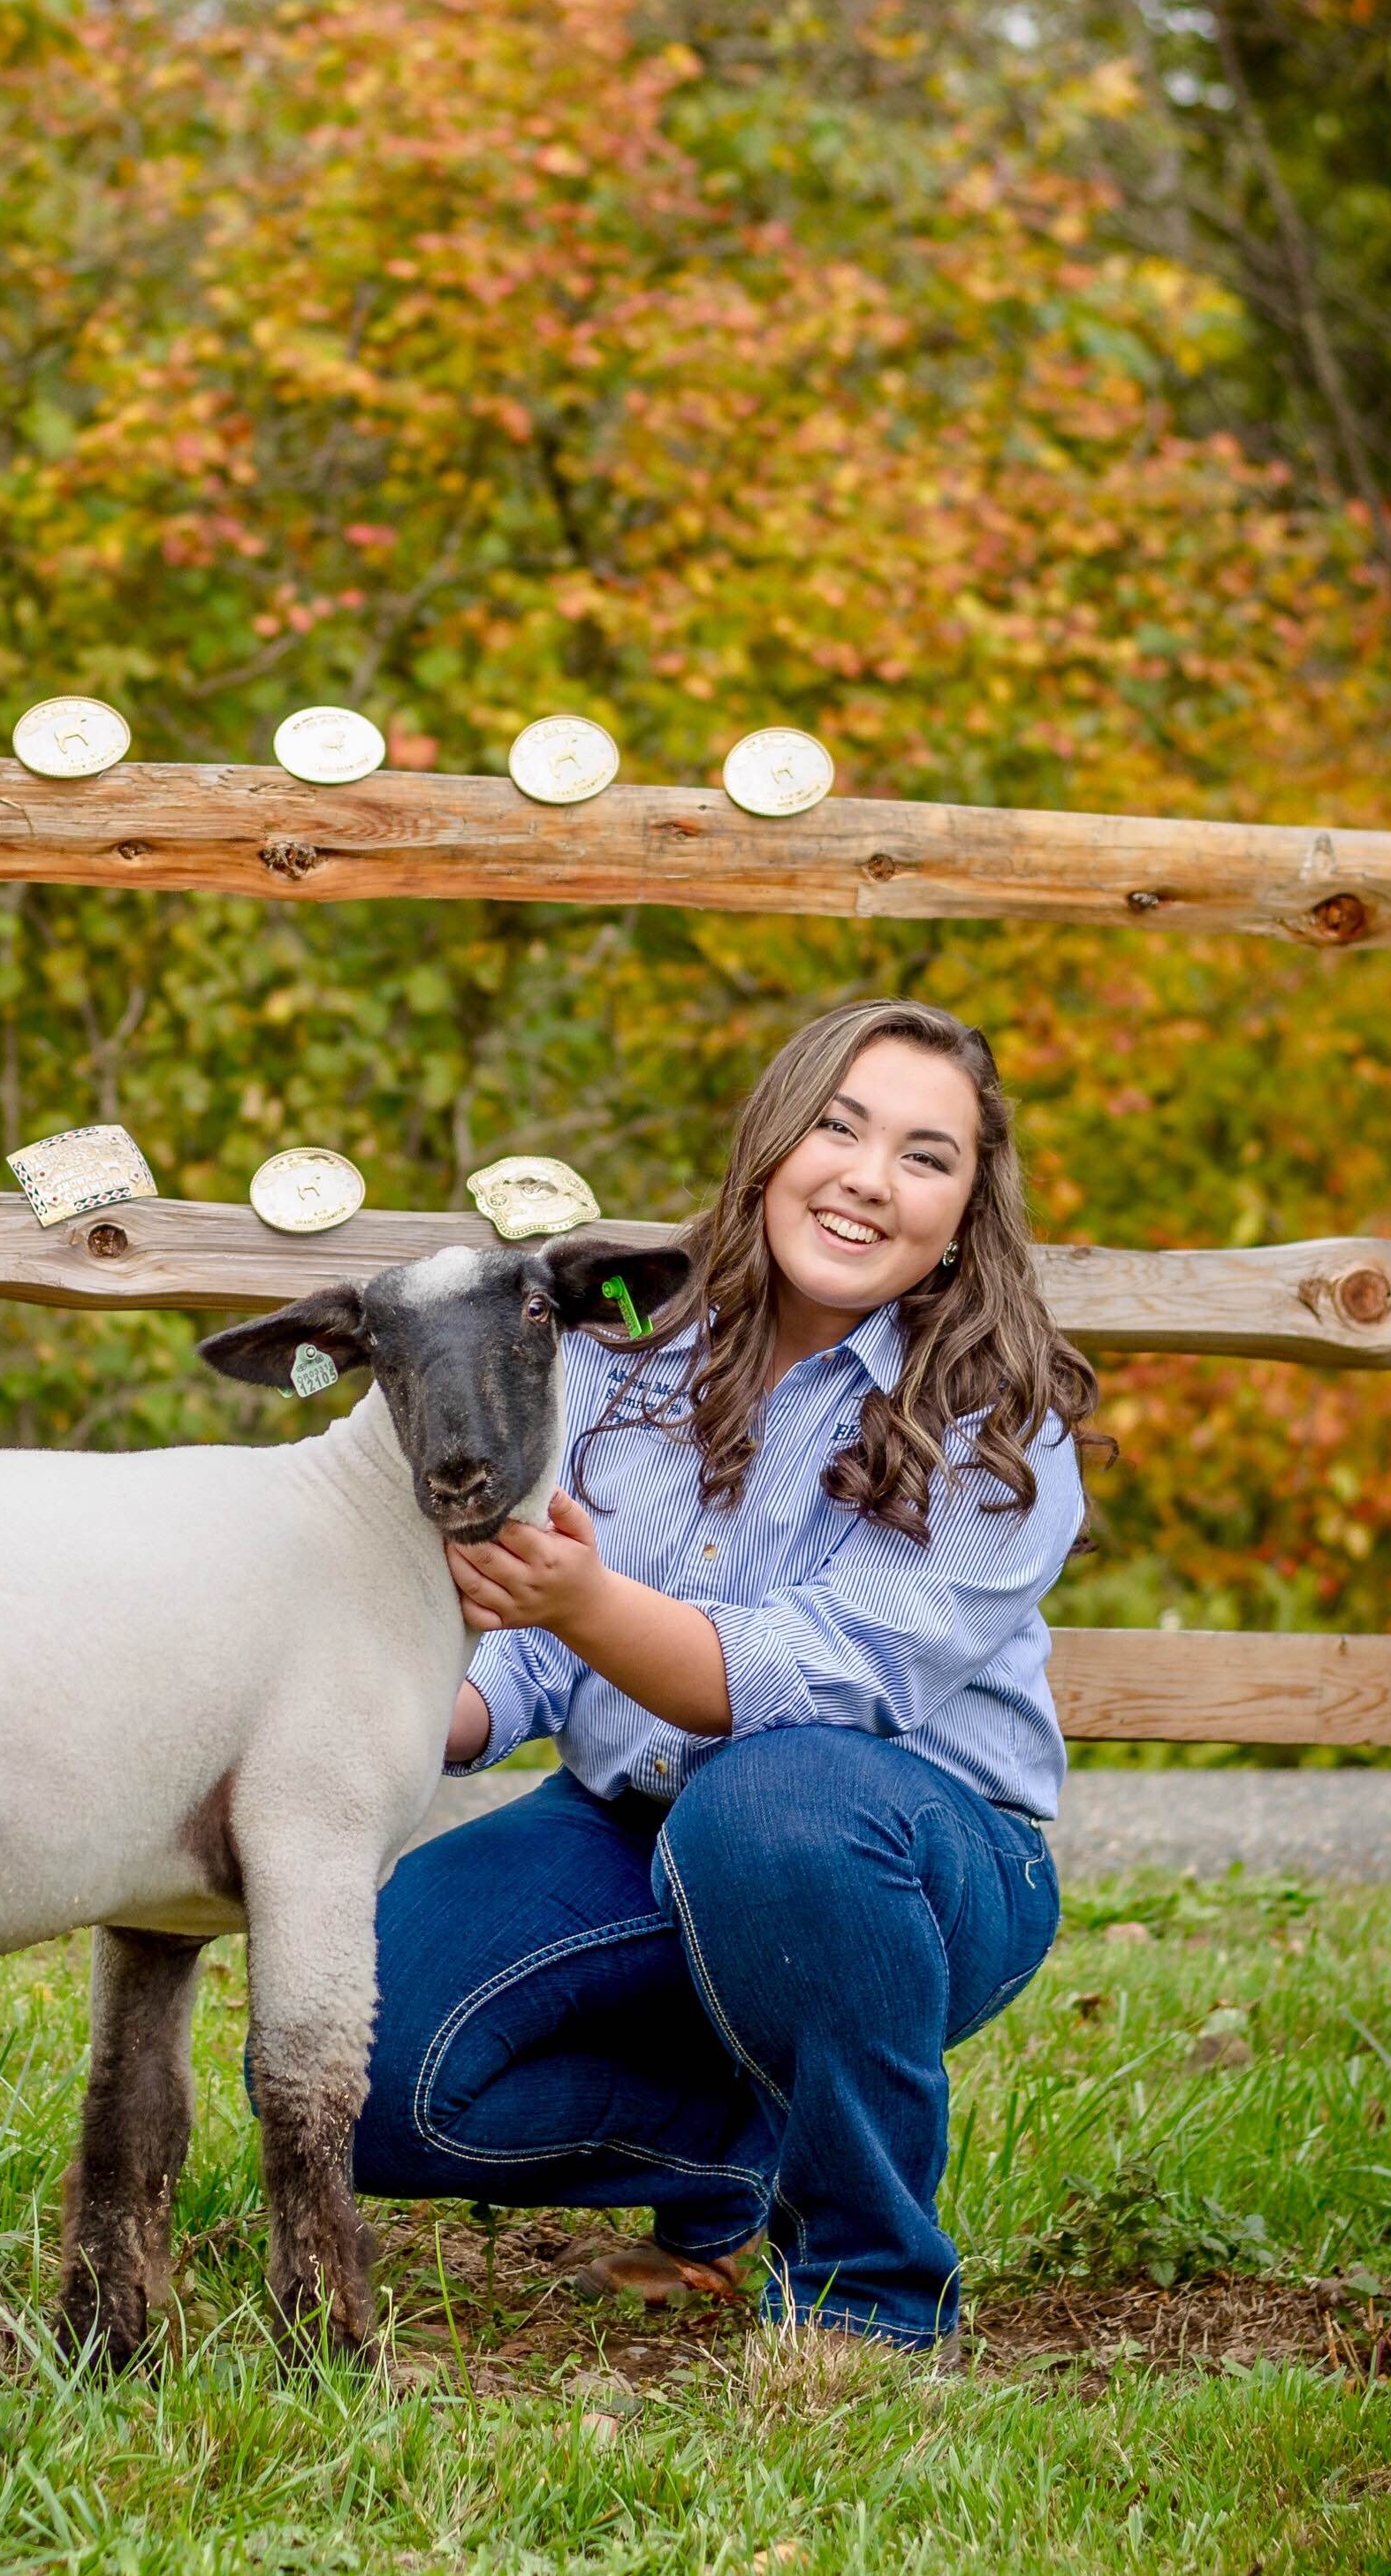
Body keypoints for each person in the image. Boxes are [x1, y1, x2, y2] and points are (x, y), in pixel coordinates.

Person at [352, 999, 1107, 2351]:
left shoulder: (1001, 1414)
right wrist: (402, 1712)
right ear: (770, 1144)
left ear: (964, 1208)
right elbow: (524, 1647)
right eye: (839, 1127)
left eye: (924, 1157)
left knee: (771, 1801)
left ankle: (866, 2292)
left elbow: (819, 1680)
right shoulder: (617, 1349)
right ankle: (737, 2156)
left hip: (908, 1855)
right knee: (358, 2070)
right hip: (629, 1826)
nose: (869, 1179)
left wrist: (584, 1598)